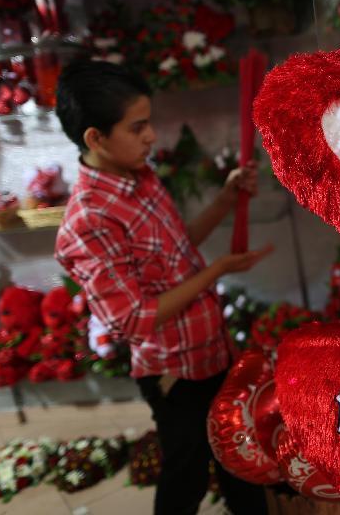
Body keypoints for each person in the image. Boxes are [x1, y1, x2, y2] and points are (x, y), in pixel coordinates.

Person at [54, 59, 272, 515]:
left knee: (237, 459)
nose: (151, 136)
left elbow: (175, 250)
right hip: (173, 372)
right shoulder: (90, 220)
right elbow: (135, 318)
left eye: (148, 123)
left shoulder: (140, 176)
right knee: (186, 474)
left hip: (211, 349)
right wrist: (219, 270)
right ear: (95, 138)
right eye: (138, 128)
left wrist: (225, 199)